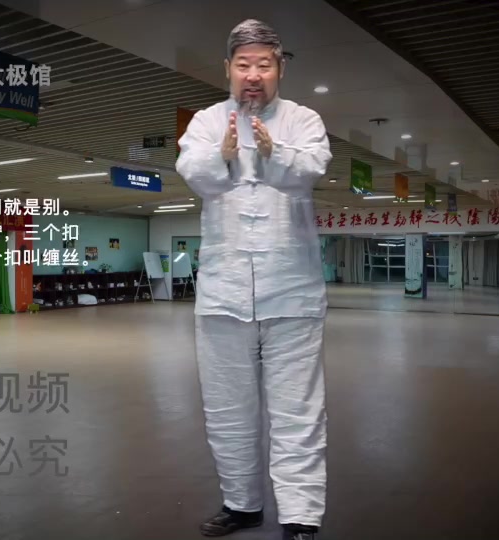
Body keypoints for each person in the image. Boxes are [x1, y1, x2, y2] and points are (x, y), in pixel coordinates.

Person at [175, 19, 333, 540]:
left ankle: (301, 517)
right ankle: (241, 505)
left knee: (298, 410)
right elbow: (193, 172)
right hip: (222, 293)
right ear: (227, 69)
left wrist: (273, 152)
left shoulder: (303, 119)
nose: (253, 74)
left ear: (280, 68)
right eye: (243, 64)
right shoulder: (205, 121)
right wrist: (222, 154)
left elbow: (312, 169)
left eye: (264, 64)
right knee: (227, 409)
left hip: (293, 290)